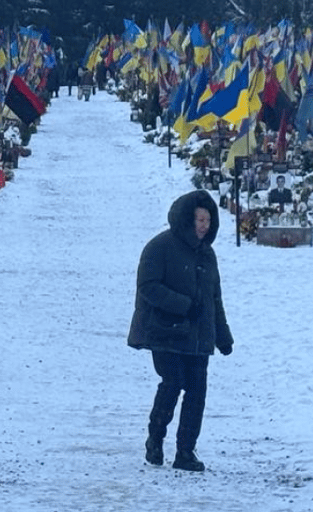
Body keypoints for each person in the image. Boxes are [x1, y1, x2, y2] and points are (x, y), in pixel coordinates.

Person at [127, 190, 233, 471]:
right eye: (199, 219)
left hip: (199, 336)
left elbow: (214, 299)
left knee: (197, 392)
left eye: (208, 220)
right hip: (166, 332)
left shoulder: (207, 255)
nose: (204, 225)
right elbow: (148, 287)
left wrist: (223, 336)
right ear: (187, 218)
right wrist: (183, 306)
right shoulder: (160, 247)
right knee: (172, 383)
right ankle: (155, 440)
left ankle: (185, 451)